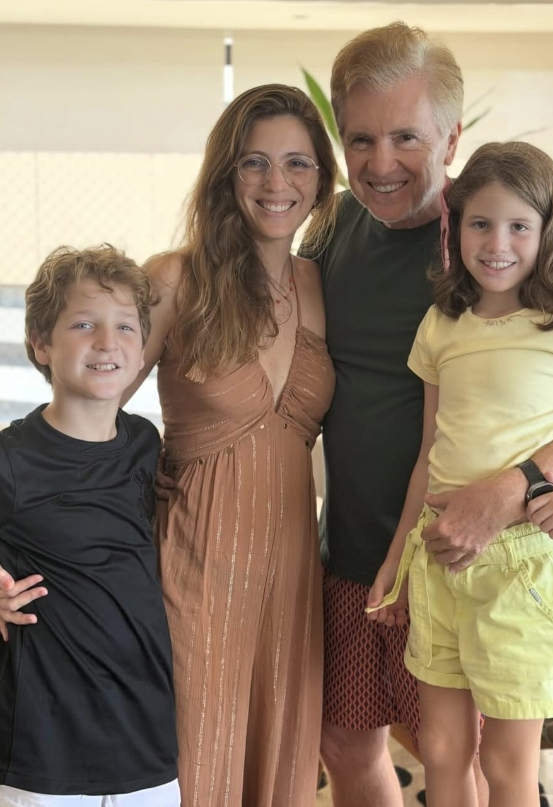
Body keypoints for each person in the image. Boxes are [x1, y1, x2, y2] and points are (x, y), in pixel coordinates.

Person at [299, 22, 553, 807]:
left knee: (462, 759)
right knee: (347, 745)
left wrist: (516, 486)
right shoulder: (333, 228)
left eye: (406, 137)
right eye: (360, 138)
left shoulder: (497, 240)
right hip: (356, 551)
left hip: (473, 564)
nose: (381, 162)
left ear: (450, 139)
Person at [0, 86, 338, 807]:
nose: (276, 182)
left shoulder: (319, 283)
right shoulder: (176, 278)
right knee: (193, 769)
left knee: (277, 770)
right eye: (253, 162)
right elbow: (85, 414)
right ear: (225, 173)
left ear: (320, 178)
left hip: (291, 573)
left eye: (296, 163)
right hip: (194, 567)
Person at [367, 140, 553, 807]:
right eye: (480, 223)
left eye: (518, 226)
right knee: (441, 750)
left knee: (506, 764)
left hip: (524, 570)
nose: (496, 243)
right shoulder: (441, 325)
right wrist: (397, 560)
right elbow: (428, 453)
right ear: (455, 227)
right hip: (438, 557)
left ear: (546, 231)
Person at [0, 245, 179, 806]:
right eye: (83, 324)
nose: (107, 342)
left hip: (145, 742)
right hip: (44, 752)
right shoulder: (11, 459)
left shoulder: (145, 444)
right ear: (41, 344)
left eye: (125, 326)